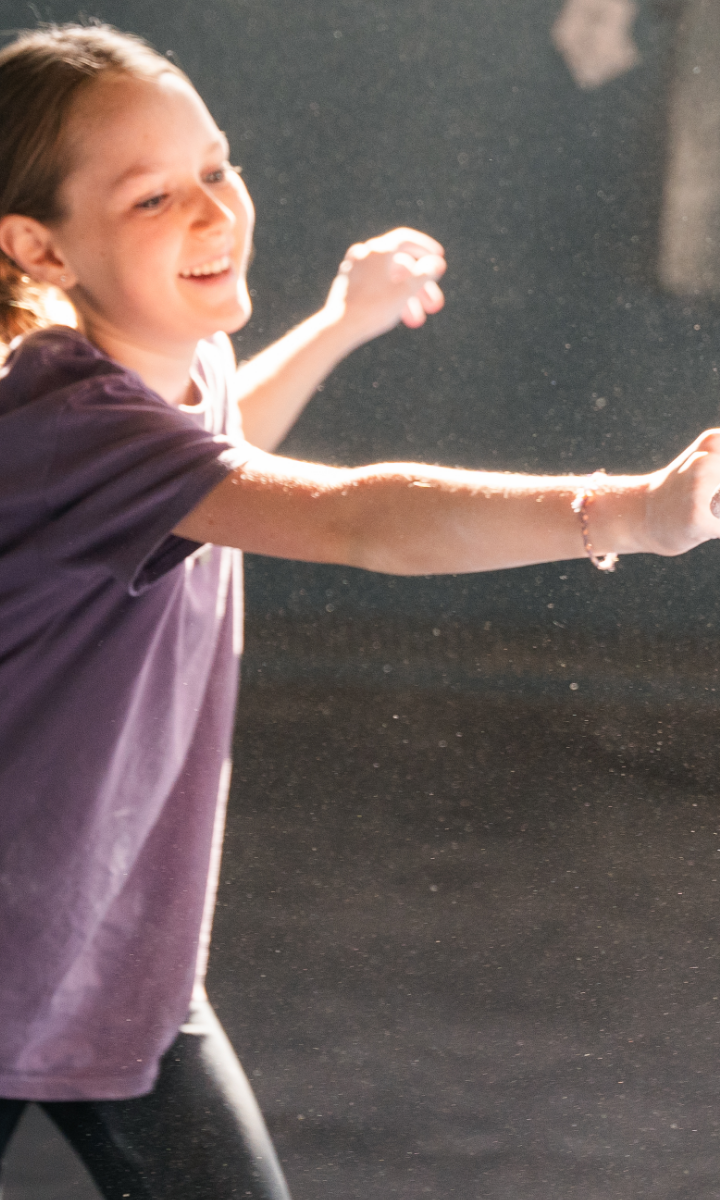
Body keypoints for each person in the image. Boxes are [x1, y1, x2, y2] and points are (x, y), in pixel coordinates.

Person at [0, 21, 718, 1200]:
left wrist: (338, 321)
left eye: (218, 170)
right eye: (150, 200)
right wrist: (630, 512)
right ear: (41, 243)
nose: (212, 210)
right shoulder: (68, 421)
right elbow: (356, 518)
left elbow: (222, 461)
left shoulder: (162, 362)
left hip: (114, 948)